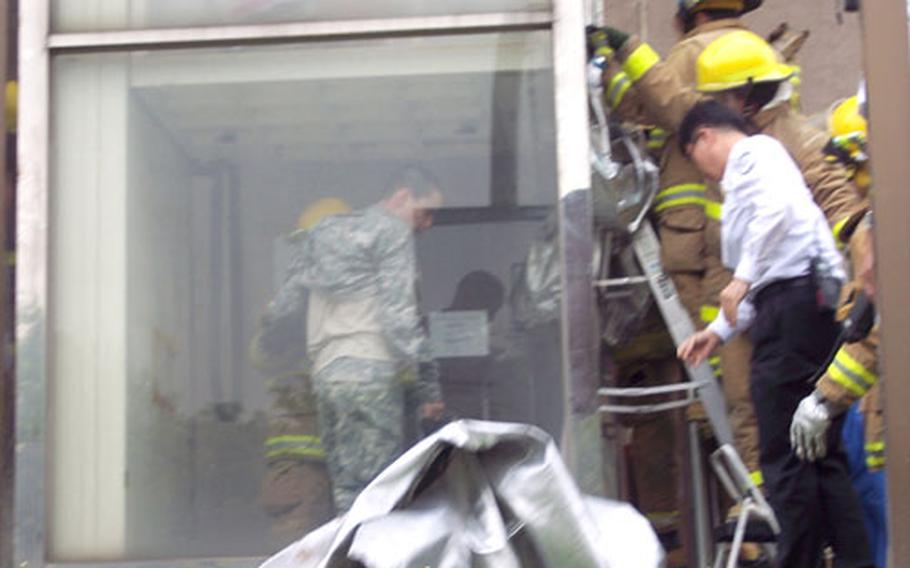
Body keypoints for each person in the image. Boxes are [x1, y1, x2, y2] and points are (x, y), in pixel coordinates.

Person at [676, 100, 873, 568]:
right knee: (820, 455)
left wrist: (740, 279)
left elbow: (776, 216)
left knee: (783, 455)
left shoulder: (752, 154)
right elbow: (776, 259)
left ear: (703, 137)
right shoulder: (765, 160)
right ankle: (853, 560)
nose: (703, 172)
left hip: (791, 311)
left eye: (694, 157)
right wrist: (719, 331)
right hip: (806, 307)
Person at [261, 167, 445, 513]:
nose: (428, 223)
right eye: (426, 211)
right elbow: (399, 318)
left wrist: (269, 331)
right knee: (379, 492)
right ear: (402, 197)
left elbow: (285, 305)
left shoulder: (324, 231)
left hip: (327, 379)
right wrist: (429, 388)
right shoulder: (392, 232)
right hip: (370, 376)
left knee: (346, 491)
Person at [790, 93, 886, 568]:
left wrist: (825, 397)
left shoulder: (889, 219)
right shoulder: (873, 217)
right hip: (869, 413)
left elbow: (879, 331)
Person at [250, 198, 351, 544]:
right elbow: (262, 358)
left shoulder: (356, 295)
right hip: (301, 458)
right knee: (300, 547)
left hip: (340, 455)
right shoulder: (295, 299)